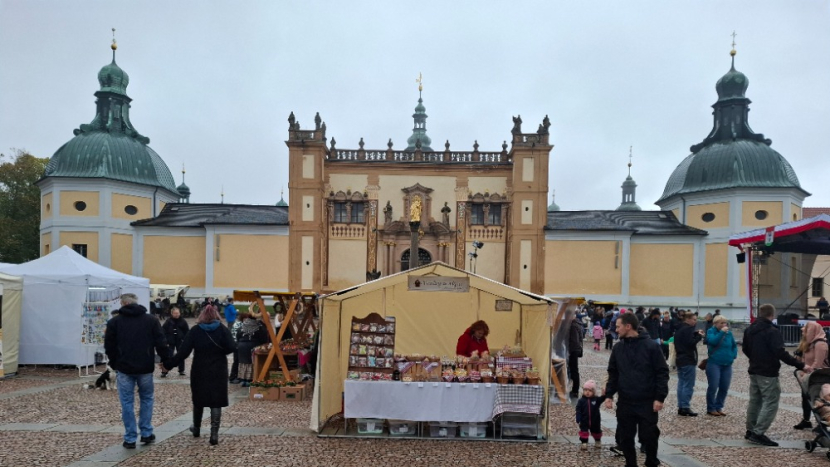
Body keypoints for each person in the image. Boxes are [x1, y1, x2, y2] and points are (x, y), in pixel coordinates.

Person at [162, 305, 235, 446]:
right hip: (218, 369)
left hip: (200, 368)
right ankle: (214, 434)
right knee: (216, 400)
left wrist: (168, 365)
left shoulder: (195, 330)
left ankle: (196, 428)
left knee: (198, 399)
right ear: (216, 316)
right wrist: (220, 351)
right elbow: (232, 347)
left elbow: (183, 352)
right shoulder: (222, 329)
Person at [104, 293, 169, 449]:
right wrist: (166, 361)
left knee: (127, 402)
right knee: (147, 399)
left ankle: (130, 437)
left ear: (123, 303)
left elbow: (109, 346)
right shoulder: (151, 320)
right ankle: (146, 432)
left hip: (124, 367)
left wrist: (114, 363)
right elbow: (161, 342)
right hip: (145, 366)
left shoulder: (115, 322)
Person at [604, 312, 669, 467]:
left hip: (647, 401)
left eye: (618, 326)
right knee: (625, 438)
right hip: (626, 401)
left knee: (649, 435)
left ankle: (651, 461)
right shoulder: (618, 348)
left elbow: (662, 372)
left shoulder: (652, 346)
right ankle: (630, 463)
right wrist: (609, 395)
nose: (616, 329)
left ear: (628, 326)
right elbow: (613, 373)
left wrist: (660, 397)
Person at [743, 303, 812, 447]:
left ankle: (750, 430)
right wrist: (801, 365)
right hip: (768, 371)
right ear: (772, 315)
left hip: (754, 369)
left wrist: (755, 358)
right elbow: (780, 352)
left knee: (755, 401)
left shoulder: (749, 329)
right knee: (771, 402)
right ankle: (758, 432)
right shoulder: (771, 331)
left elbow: (745, 348)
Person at [793, 321, 828, 430]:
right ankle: (806, 420)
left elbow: (818, 363)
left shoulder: (820, 344)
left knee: (818, 398)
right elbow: (803, 360)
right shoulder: (809, 343)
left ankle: (821, 422)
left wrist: (807, 371)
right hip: (808, 376)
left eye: (807, 331)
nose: (804, 333)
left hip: (819, 376)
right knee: (806, 398)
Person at [705, 315, 737, 416]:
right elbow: (712, 341)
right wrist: (722, 332)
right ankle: (711, 407)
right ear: (715, 324)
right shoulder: (711, 332)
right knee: (713, 386)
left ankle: (719, 406)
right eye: (721, 323)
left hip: (727, 364)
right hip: (714, 363)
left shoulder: (729, 334)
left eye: (725, 323)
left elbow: (734, 345)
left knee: (724, 387)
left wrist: (733, 355)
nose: (724, 325)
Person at [674, 310, 703, 416]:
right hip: (688, 359)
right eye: (694, 320)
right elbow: (690, 343)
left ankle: (681, 406)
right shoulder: (689, 329)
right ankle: (685, 406)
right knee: (688, 384)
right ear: (688, 319)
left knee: (681, 383)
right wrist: (698, 336)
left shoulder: (679, 329)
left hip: (680, 358)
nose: (695, 322)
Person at [235, 312, 270, 387]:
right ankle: (249, 380)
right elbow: (264, 337)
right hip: (253, 345)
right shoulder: (258, 326)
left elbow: (238, 335)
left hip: (241, 346)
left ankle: (243, 379)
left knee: (243, 363)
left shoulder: (242, 326)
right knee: (252, 362)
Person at [575, 380, 606, 451]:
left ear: (594, 392)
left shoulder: (596, 400)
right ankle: (584, 442)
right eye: (585, 390)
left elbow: (602, 398)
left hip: (595, 420)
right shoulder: (581, 401)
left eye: (590, 390)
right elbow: (578, 409)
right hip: (584, 420)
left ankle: (597, 440)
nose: (587, 392)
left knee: (596, 431)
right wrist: (578, 416)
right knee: (584, 431)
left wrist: (604, 394)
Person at [161, 305, 190, 377]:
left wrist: (185, 339)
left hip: (180, 340)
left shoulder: (183, 321)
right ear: (172, 313)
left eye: (178, 313)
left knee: (181, 355)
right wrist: (165, 339)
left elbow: (187, 331)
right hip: (170, 341)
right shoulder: (168, 321)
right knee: (168, 355)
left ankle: (181, 370)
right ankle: (165, 370)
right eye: (175, 313)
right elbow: (163, 330)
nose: (177, 314)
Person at [566, 315, 584, 398]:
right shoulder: (577, 323)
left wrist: (569, 352)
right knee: (574, 370)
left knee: (574, 370)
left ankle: (575, 391)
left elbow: (574, 341)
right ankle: (574, 390)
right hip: (575, 350)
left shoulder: (573, 325)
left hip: (573, 350)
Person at [228, 313, 244, 384]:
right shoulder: (239, 325)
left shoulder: (237, 324)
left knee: (237, 361)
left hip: (236, 344)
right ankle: (233, 377)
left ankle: (236, 376)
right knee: (237, 361)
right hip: (237, 345)